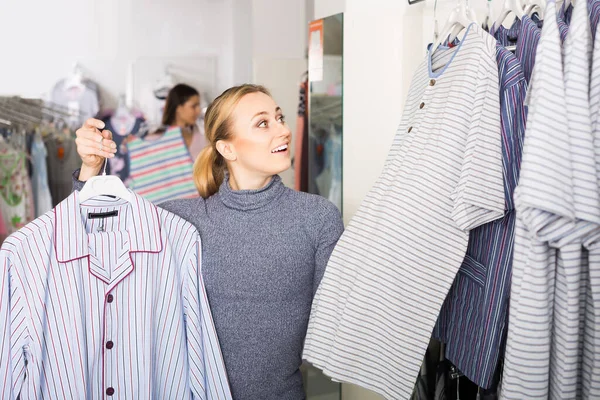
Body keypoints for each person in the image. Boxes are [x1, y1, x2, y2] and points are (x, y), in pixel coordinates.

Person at [73, 84, 344, 400]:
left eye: (279, 118)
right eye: (263, 123)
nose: (283, 130)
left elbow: (338, 327)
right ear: (227, 149)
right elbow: (90, 237)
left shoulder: (318, 217)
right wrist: (91, 168)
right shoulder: (179, 220)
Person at [155, 83, 206, 160]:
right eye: (194, 106)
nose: (198, 111)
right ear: (178, 108)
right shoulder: (158, 139)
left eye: (198, 106)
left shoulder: (201, 137)